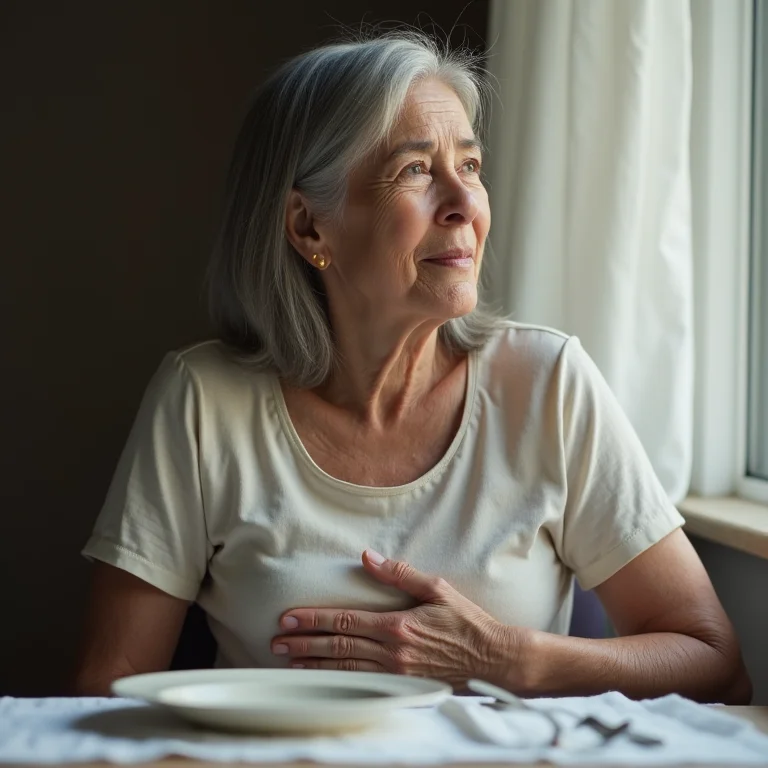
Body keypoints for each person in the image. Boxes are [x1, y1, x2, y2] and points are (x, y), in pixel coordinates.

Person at [73, 33, 752, 703]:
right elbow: (109, 692)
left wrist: (506, 657)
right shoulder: (201, 403)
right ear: (310, 228)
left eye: (472, 165)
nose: (465, 203)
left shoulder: (550, 385)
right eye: (416, 170)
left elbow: (711, 661)